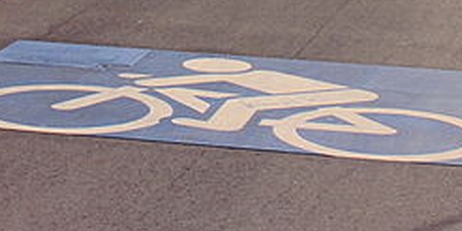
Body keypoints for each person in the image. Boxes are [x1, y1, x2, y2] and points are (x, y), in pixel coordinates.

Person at [134, 57, 376, 133]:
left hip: (343, 94)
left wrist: (149, 82)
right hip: (343, 94)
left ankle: (220, 126)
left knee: (241, 103)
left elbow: (197, 80)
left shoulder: (242, 77)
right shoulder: (252, 74)